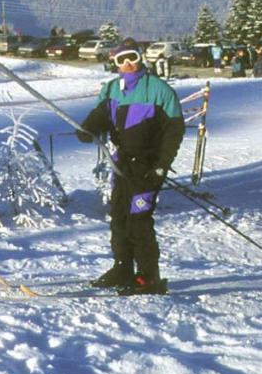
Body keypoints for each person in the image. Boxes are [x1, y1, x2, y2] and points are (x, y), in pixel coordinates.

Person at [77, 38, 185, 295]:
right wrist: (87, 129)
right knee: (120, 217)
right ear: (114, 63)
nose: (128, 64)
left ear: (140, 59)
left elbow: (174, 129)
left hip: (147, 166)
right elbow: (100, 116)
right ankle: (122, 267)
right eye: (121, 59)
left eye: (132, 58)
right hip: (122, 166)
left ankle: (148, 276)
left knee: (139, 221)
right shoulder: (113, 89)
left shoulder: (158, 90)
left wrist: (162, 165)